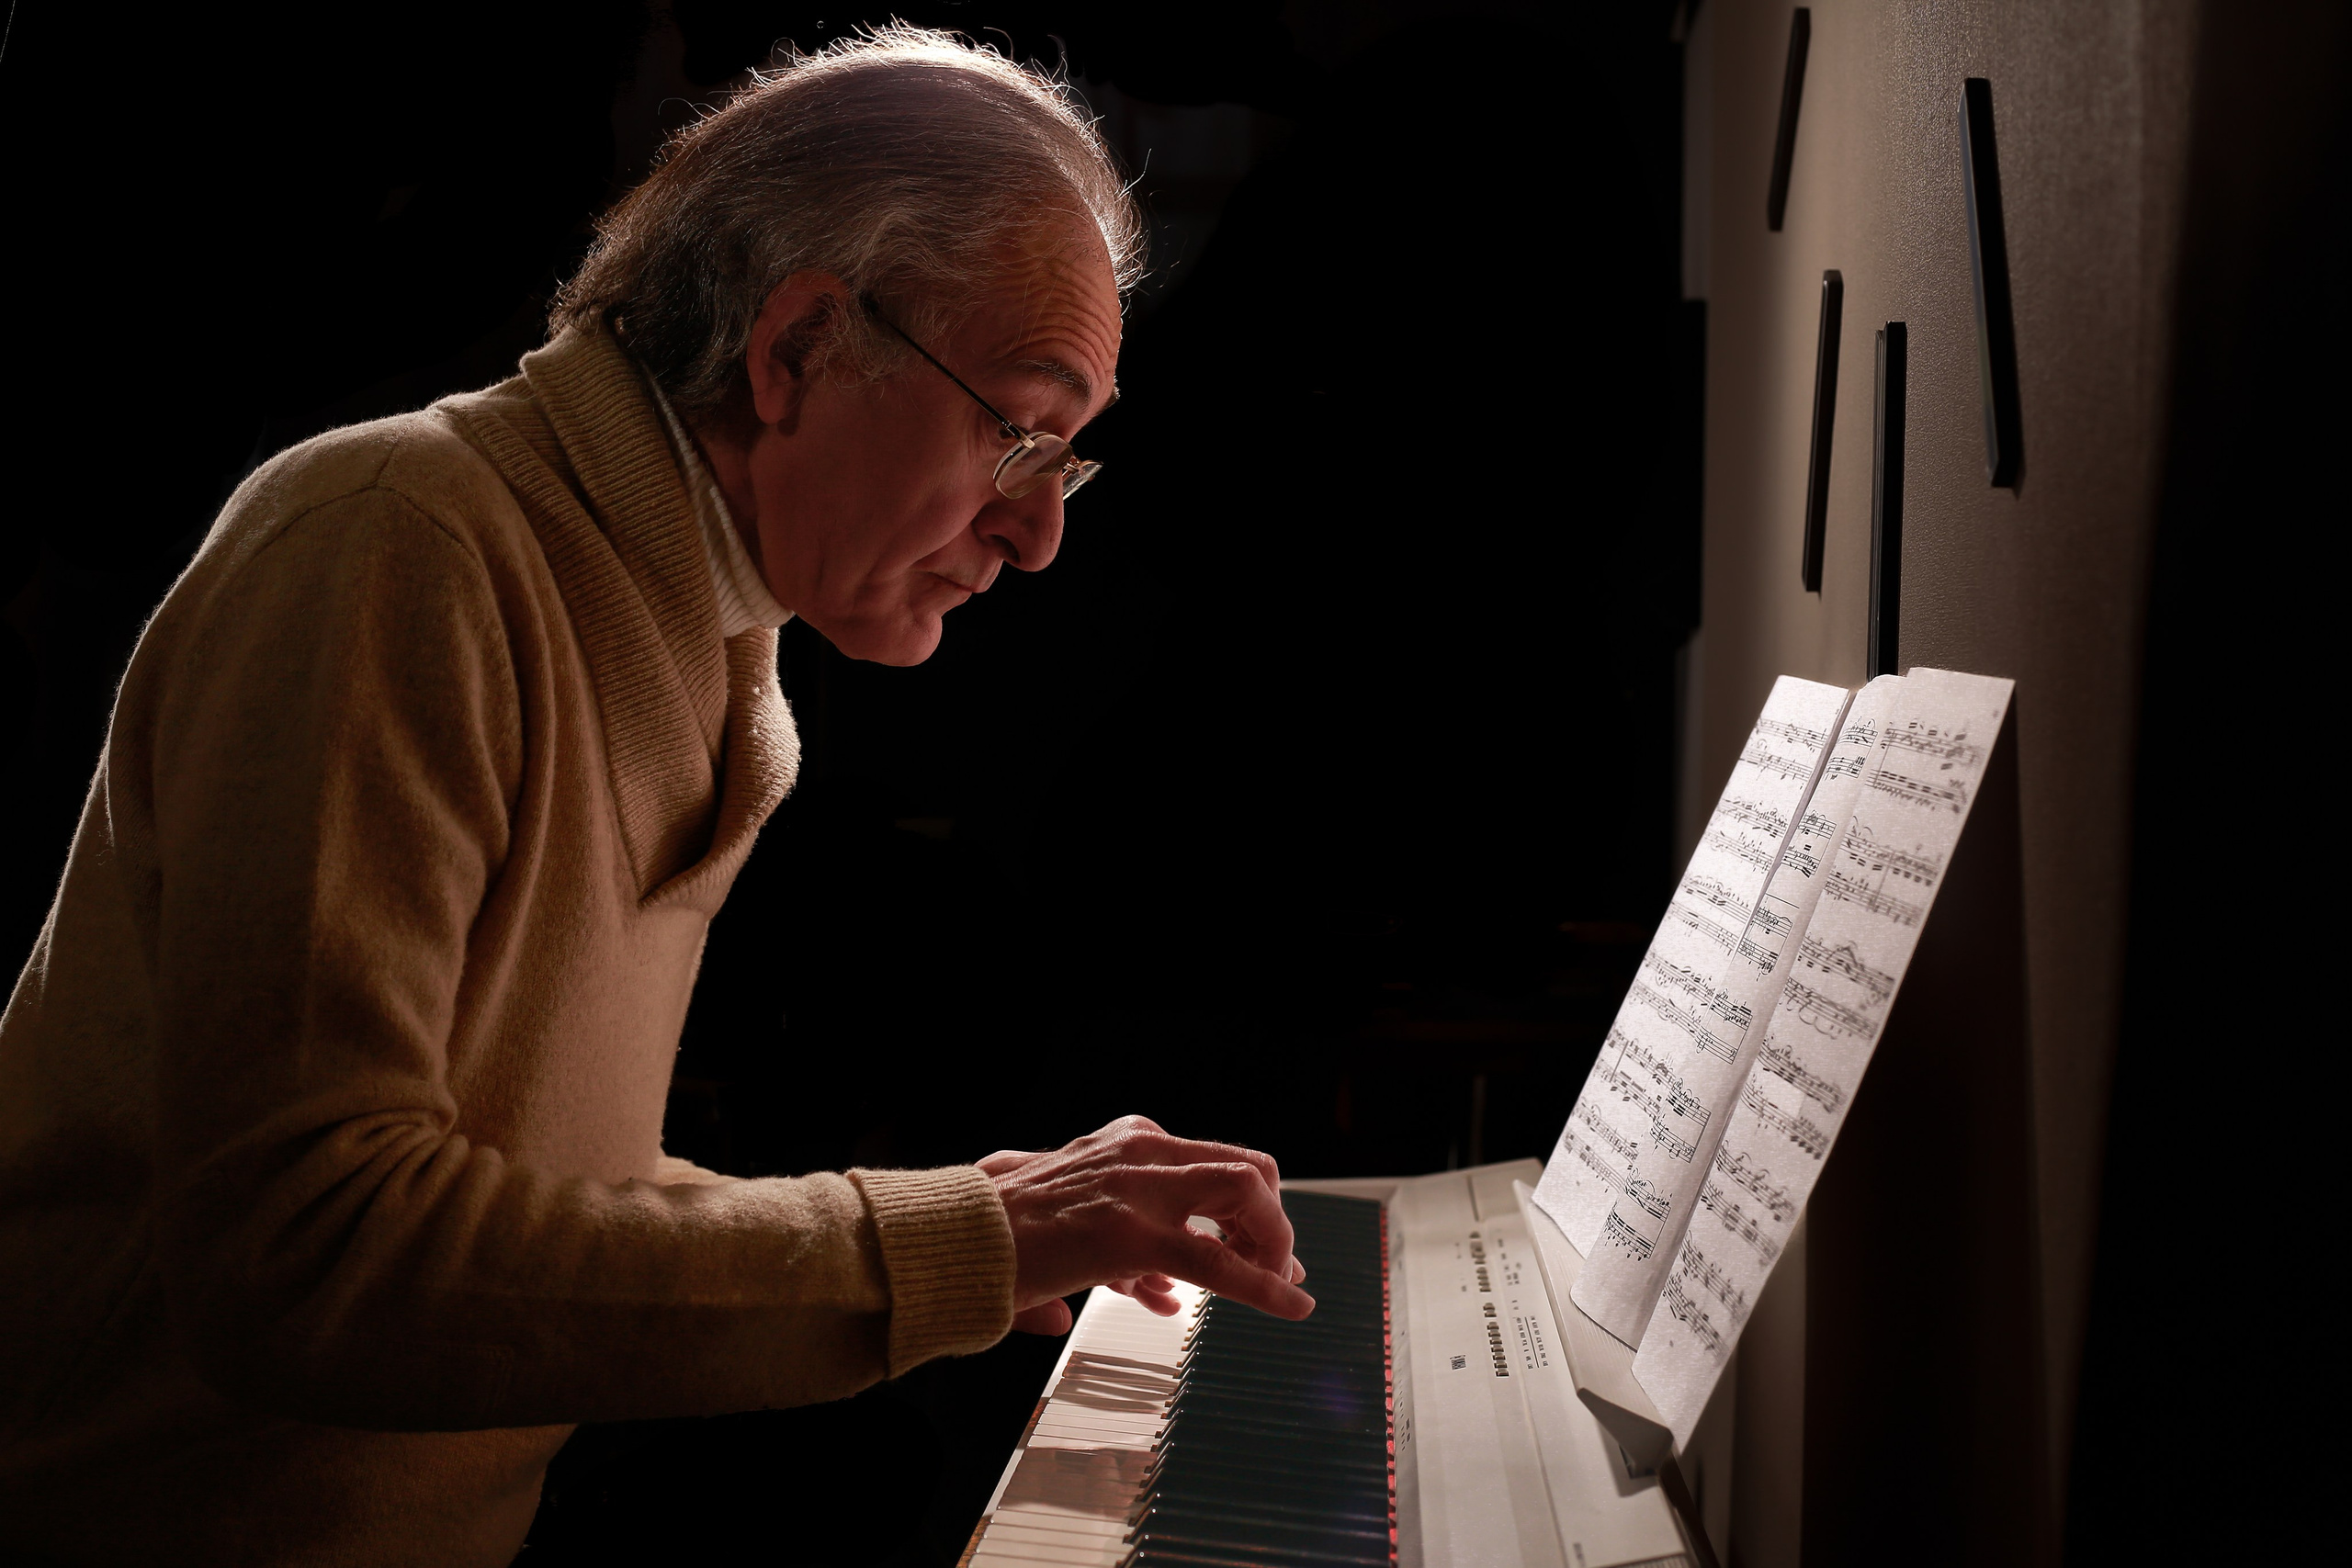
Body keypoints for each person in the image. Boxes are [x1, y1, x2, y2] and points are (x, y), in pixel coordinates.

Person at [0, 29, 1312, 1567]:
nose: (1037, 535)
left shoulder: (706, 621)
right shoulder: (391, 548)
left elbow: (533, 1201)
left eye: (1065, 462)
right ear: (798, 351)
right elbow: (312, 1259)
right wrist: (948, 1244)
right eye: (1019, 429)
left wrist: (957, 1225)